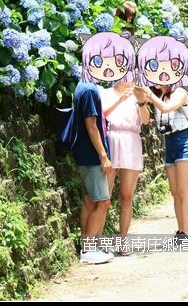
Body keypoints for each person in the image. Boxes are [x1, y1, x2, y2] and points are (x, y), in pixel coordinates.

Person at [135, 35, 188, 241]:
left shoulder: (180, 93)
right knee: (174, 191)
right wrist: (142, 102)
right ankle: (181, 230)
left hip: (186, 142)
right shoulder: (158, 95)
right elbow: (145, 121)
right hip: (170, 142)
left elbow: (165, 107)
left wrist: (150, 96)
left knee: (183, 191)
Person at [100, 79, 150, 255]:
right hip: (111, 139)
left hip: (131, 141)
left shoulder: (138, 94)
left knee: (127, 196)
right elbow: (101, 115)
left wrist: (141, 100)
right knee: (104, 196)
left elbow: (145, 121)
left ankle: (123, 240)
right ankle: (98, 239)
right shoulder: (105, 93)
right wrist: (120, 99)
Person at [71, 82, 115, 265]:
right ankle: (88, 250)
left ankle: (88, 245)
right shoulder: (89, 90)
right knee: (103, 202)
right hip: (91, 155)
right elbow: (91, 125)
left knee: (90, 201)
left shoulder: (83, 86)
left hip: (85, 153)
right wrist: (103, 156)